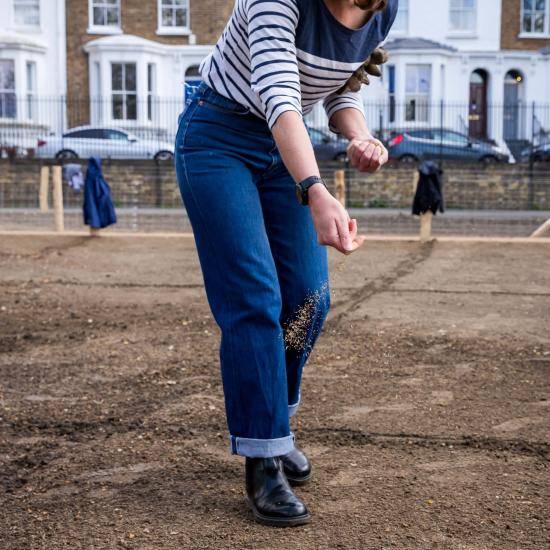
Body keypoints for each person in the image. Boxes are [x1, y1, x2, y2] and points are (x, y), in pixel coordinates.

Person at [174, 0, 397, 527]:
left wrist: (358, 134)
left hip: (285, 150)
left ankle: (274, 420)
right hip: (218, 138)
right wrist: (317, 191)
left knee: (307, 300)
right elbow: (280, 96)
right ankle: (263, 455)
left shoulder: (382, 12)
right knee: (254, 299)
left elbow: (338, 88)